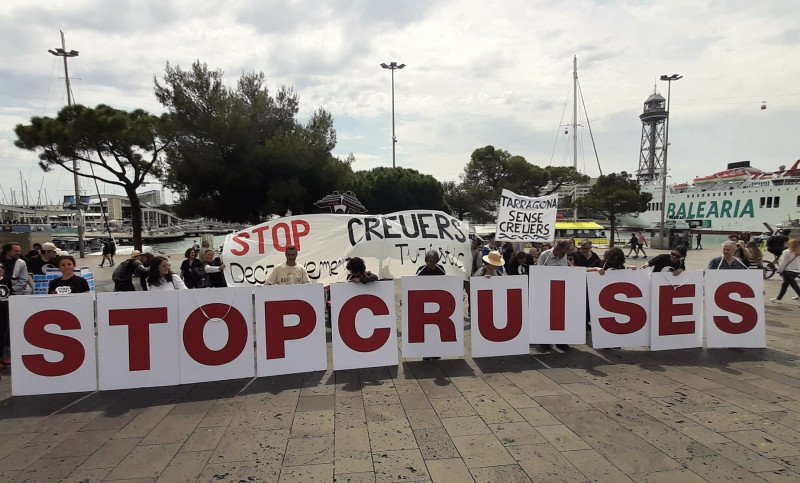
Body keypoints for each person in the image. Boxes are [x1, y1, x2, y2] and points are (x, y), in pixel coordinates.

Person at [536, 240, 573, 351]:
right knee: (545, 317)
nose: (564, 255)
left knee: (559, 317)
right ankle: (544, 341)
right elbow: (539, 273)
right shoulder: (544, 255)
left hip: (560, 291)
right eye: (563, 252)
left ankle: (560, 340)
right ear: (557, 249)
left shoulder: (564, 256)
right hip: (546, 291)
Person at [416, 250, 446, 360]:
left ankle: (435, 351)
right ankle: (425, 352)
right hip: (425, 304)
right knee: (426, 330)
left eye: (431, 261)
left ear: (436, 261)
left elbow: (445, 283)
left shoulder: (441, 270)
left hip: (437, 304)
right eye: (427, 261)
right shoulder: (421, 270)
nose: (429, 263)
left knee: (435, 330)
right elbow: (415, 285)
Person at [770, 239, 800, 303]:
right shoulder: (798, 252)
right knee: (785, 285)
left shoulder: (786, 252)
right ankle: (778, 298)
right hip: (796, 272)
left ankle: (778, 298)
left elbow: (783, 262)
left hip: (788, 271)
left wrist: (780, 270)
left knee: (795, 286)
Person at [0, 265, 12, 370]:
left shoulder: (6, 279)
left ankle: (1, 357)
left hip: (5, 309)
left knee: (3, 335)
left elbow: (11, 293)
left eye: (2, 268)